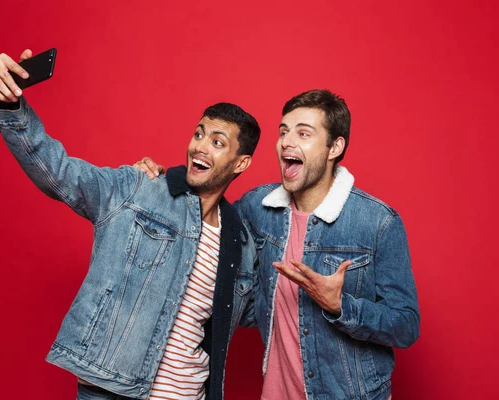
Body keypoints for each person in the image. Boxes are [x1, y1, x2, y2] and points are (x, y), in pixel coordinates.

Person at [0, 49, 261, 400]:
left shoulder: (240, 243)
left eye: (217, 142)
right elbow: (60, 173)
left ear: (241, 163)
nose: (199, 147)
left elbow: (254, 313)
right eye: (199, 134)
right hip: (112, 390)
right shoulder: (137, 188)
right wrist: (9, 108)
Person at [136, 89, 420, 400]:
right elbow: (204, 216)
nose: (286, 141)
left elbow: (406, 325)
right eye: (283, 131)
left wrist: (340, 306)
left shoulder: (377, 222)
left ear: (334, 147)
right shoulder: (258, 207)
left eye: (303, 133)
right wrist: (162, 182)